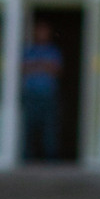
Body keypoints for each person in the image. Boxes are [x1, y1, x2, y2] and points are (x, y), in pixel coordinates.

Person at [19, 15, 64, 166]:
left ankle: (50, 159)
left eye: (44, 31)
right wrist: (42, 65)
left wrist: (36, 66)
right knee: (29, 127)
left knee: (49, 128)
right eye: (39, 31)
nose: (41, 34)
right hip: (30, 94)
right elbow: (22, 69)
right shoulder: (28, 50)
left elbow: (55, 69)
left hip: (48, 94)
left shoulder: (53, 51)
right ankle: (27, 158)